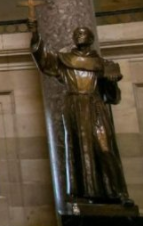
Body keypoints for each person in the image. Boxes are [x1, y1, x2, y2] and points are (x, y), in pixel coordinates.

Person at [29, 21, 132, 205]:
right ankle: (84, 194)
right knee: (78, 149)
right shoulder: (65, 59)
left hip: (95, 105)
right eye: (77, 34)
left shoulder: (104, 64)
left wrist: (111, 81)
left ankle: (118, 193)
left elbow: (113, 97)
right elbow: (44, 60)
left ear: (91, 39)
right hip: (74, 106)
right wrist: (36, 34)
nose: (79, 36)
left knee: (104, 148)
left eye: (83, 33)